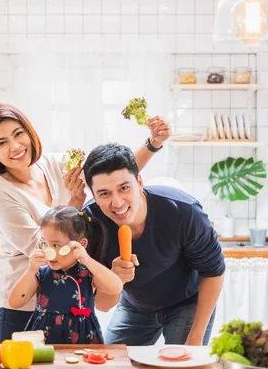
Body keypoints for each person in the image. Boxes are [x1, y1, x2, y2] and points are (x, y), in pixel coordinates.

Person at [0, 103, 170, 343]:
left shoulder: (55, 164)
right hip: (22, 305)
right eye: (1, 143)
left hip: (68, 303)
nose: (15, 147)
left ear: (29, 131)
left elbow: (110, 174)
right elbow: (44, 249)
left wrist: (153, 143)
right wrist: (74, 204)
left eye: (18, 134)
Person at [82, 143, 225, 346]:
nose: (117, 203)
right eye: (104, 193)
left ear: (139, 182)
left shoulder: (183, 212)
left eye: (124, 188)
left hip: (187, 303)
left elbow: (213, 272)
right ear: (94, 195)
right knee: (112, 364)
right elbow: (103, 305)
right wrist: (114, 280)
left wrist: (196, 337)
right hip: (134, 305)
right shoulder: (91, 223)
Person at [8, 206, 123, 344]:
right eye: (44, 243)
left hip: (82, 337)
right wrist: (30, 270)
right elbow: (14, 302)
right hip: (45, 338)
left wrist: (88, 260)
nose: (49, 250)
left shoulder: (88, 272)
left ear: (80, 244)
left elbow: (116, 287)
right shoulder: (41, 273)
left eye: (56, 245)